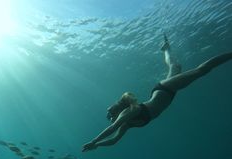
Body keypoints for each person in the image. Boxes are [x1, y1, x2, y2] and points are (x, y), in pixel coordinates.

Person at [82, 34, 232, 152]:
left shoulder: (129, 112)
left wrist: (94, 141)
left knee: (201, 71)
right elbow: (114, 140)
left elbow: (112, 128)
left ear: (118, 111)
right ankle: (165, 49)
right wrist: (98, 145)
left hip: (164, 89)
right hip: (168, 93)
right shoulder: (127, 124)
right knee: (175, 66)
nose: (110, 118)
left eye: (110, 114)